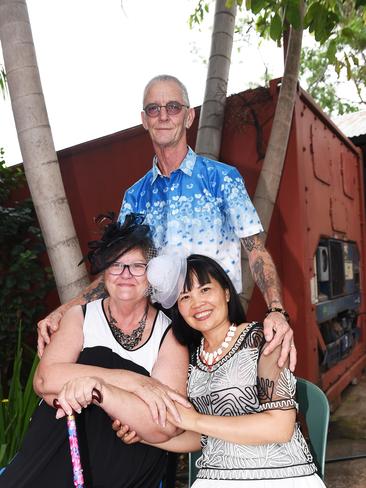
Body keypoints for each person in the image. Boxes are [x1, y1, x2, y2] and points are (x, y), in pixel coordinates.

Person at [37, 74, 296, 372]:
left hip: (217, 330)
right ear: (144, 120)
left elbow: (256, 251)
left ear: (189, 116)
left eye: (173, 107)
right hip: (162, 336)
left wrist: (276, 310)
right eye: (153, 109)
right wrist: (64, 311)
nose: (163, 116)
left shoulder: (221, 179)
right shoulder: (135, 196)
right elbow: (120, 271)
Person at [0, 214, 189, 488]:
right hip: (58, 448)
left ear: (153, 273)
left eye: (137, 266)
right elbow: (45, 380)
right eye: (115, 265)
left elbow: (164, 425)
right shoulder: (80, 316)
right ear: (103, 274)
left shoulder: (170, 335)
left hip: (126, 464)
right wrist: (134, 383)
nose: (125, 275)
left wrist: (93, 389)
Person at [111, 254, 326, 487]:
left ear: (225, 293)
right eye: (185, 297)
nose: (197, 303)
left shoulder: (261, 340)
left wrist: (194, 420)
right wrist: (146, 437)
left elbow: (280, 427)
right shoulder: (192, 360)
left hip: (280, 476)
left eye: (204, 290)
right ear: (178, 309)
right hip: (215, 477)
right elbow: (203, 438)